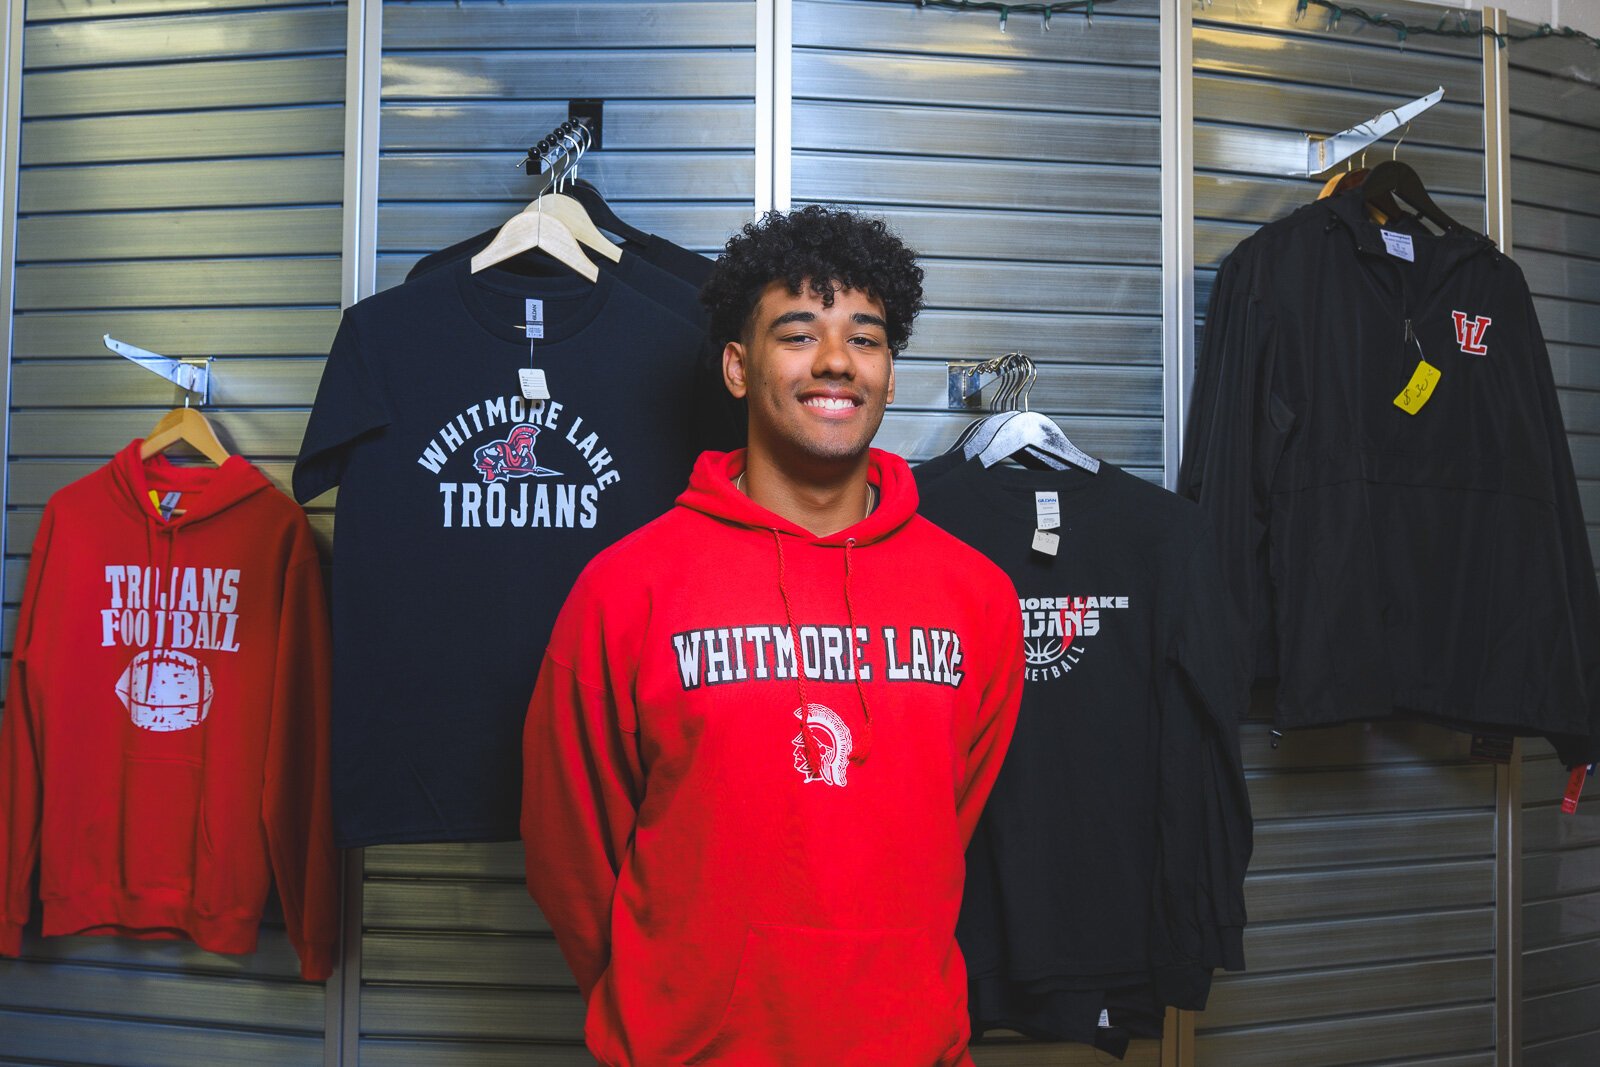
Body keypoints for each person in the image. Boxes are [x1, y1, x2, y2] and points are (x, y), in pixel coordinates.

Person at [521, 205, 1025, 1066]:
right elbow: (570, 848)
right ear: (737, 366)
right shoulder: (626, 588)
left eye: (864, 338)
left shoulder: (976, 596)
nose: (836, 360)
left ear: (889, 373)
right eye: (798, 334)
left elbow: (955, 819)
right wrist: (662, 1000)